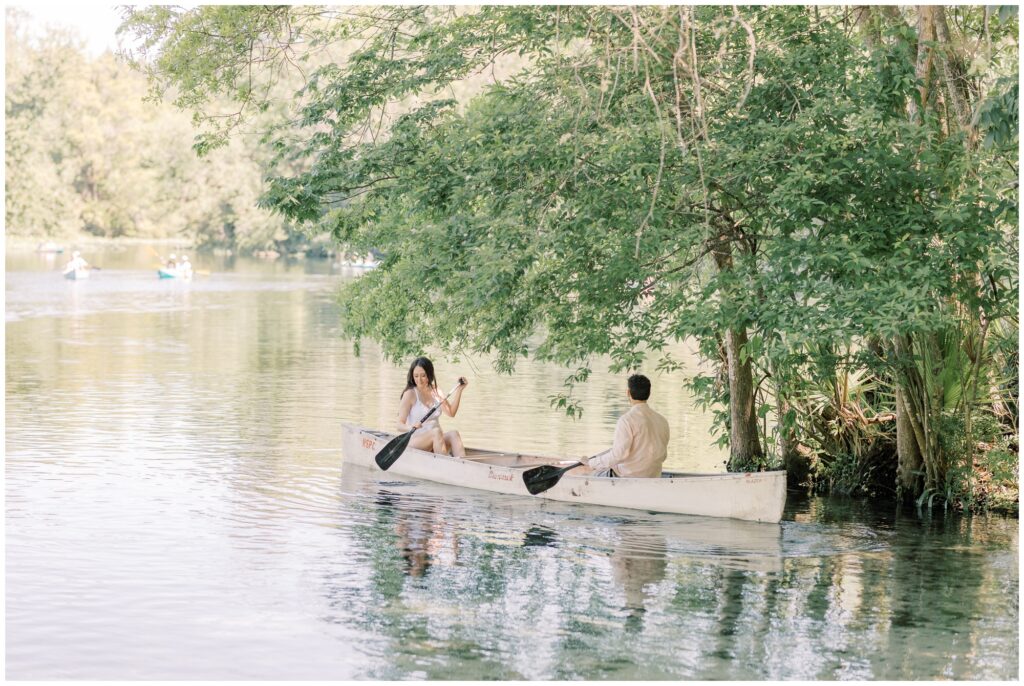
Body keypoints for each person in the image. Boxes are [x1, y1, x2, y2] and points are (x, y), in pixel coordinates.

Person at [578, 374, 670, 478]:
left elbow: (618, 455)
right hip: (653, 476)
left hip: (627, 477)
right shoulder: (662, 421)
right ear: (649, 393)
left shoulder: (626, 420)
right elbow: (663, 455)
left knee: (586, 473)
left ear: (628, 392)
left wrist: (591, 463)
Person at [397, 357, 468, 457]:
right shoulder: (410, 394)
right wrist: (410, 427)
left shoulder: (435, 390)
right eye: (416, 376)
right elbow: (399, 425)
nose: (419, 380)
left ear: (429, 375)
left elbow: (451, 412)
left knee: (454, 434)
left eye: (423, 376)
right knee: (436, 432)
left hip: (437, 441)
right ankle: (444, 466)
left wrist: (460, 390)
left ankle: (463, 466)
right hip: (416, 442)